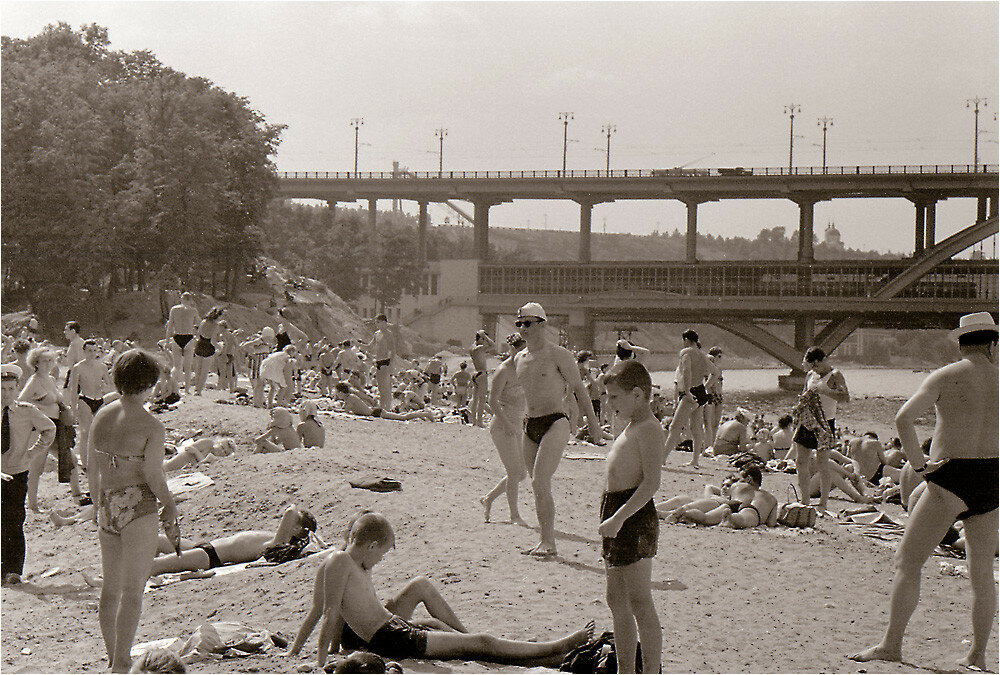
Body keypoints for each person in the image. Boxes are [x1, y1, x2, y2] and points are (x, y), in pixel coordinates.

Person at [851, 312, 998, 671]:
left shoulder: (946, 375)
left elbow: (903, 418)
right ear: (992, 344)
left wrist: (919, 466)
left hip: (951, 475)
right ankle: (977, 655)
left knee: (909, 561)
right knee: (981, 570)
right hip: (992, 476)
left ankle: (891, 645)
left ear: (961, 344)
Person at [287, 511, 595, 670]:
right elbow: (327, 613)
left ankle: (553, 660)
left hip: (393, 629)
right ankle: (556, 646)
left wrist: (293, 650)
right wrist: (320, 662)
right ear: (371, 545)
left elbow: (316, 611)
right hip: (391, 638)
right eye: (382, 553)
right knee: (480, 643)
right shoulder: (341, 562)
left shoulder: (349, 564)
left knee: (470, 644)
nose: (380, 559)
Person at [88, 348, 180, 673]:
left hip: (107, 501)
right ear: (150, 383)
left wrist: (97, 504)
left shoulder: (102, 415)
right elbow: (153, 475)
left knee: (110, 588)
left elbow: (91, 467)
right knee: (132, 591)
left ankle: (113, 656)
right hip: (137, 503)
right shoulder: (151, 425)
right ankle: (121, 663)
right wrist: (169, 503)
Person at [513, 302, 603, 557]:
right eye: (519, 324)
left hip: (555, 421)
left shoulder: (558, 354)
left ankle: (549, 543)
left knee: (540, 480)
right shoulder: (519, 358)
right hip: (529, 424)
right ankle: (545, 541)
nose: (522, 328)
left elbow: (580, 389)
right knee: (537, 486)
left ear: (542, 324)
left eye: (528, 323)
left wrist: (594, 426)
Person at [598, 360, 663, 674]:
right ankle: (625, 669)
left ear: (637, 395)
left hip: (633, 516)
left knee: (639, 600)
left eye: (614, 397)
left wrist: (619, 518)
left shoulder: (648, 428)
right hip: (616, 510)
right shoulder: (630, 425)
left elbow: (651, 483)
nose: (609, 403)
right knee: (616, 599)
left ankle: (650, 670)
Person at [1, 364, 57, 586]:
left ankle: (13, 570)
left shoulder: (26, 411)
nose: (6, 393)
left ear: (17, 389)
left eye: (10, 388)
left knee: (14, 519)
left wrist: (32, 454)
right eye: (2, 388)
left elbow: (49, 429)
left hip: (17, 472)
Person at [150, 504, 318, 575]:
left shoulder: (279, 543)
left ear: (296, 528)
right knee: (154, 540)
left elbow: (291, 511)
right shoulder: (277, 538)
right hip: (203, 547)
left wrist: (306, 530)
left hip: (210, 556)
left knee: (155, 565)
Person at [791, 346, 850, 516]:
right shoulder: (810, 375)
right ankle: (805, 500)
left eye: (816, 366)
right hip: (808, 420)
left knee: (822, 464)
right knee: (800, 461)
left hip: (825, 422)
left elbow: (845, 398)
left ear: (821, 361)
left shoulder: (835, 375)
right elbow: (804, 393)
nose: (815, 369)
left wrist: (825, 390)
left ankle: (823, 502)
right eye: (813, 367)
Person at [19, 347, 80, 510]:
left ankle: (77, 495)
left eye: (50, 360)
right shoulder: (34, 381)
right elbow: (20, 402)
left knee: (71, 459)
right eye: (44, 361)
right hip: (40, 429)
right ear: (36, 363)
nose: (48, 363)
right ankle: (32, 505)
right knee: (36, 468)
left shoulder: (51, 379)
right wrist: (36, 409)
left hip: (56, 427)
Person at [481, 334, 527, 525]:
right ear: (512, 348)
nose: (524, 353)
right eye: (521, 349)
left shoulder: (524, 369)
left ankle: (488, 498)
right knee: (514, 472)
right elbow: (492, 401)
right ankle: (514, 515)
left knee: (521, 474)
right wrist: (507, 424)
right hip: (502, 425)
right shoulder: (504, 370)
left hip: (517, 424)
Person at [663, 330, 714, 468]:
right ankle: (695, 460)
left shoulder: (686, 352)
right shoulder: (703, 355)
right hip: (700, 392)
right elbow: (715, 373)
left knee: (675, 426)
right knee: (696, 428)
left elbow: (686, 371)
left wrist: (686, 391)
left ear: (686, 339)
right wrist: (704, 387)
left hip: (690, 393)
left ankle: (662, 458)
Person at [68, 339, 113, 475]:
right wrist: (73, 408)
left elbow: (109, 385)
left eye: (94, 351)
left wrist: (105, 387)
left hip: (99, 399)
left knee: (101, 430)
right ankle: (85, 463)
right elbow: (73, 389)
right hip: (85, 399)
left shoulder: (102, 367)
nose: (92, 353)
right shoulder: (78, 367)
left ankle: (102, 460)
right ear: (84, 351)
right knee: (85, 432)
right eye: (89, 351)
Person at [333, 382, 437, 422]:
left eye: (337, 393)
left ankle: (425, 414)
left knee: (403, 418)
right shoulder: (348, 398)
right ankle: (423, 413)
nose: (337, 395)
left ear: (341, 392)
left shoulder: (351, 398)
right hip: (375, 411)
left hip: (376, 412)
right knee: (402, 416)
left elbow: (345, 411)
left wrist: (333, 409)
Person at [165, 292, 200, 393]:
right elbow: (200, 324)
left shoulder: (174, 309)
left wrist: (167, 341)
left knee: (177, 366)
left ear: (181, 299)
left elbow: (170, 326)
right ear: (190, 300)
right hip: (188, 337)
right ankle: (187, 390)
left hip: (177, 337)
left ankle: (174, 389)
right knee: (187, 367)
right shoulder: (193, 310)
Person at [363, 314, 396, 412]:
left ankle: (387, 408)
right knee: (380, 387)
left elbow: (392, 350)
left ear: (384, 322)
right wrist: (358, 344)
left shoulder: (389, 334)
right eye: (376, 322)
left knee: (386, 387)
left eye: (378, 322)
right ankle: (382, 408)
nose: (377, 324)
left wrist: (390, 364)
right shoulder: (377, 334)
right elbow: (370, 347)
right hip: (378, 361)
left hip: (385, 361)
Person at [191, 307, 223, 395]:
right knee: (204, 371)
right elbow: (213, 341)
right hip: (208, 347)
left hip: (200, 345)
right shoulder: (215, 325)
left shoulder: (203, 322)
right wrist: (220, 348)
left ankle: (196, 388)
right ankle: (199, 390)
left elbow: (198, 335)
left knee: (198, 370)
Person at [469, 330, 494, 427]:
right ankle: (479, 422)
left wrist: (480, 335)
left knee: (475, 399)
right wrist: (485, 336)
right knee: (482, 399)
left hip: (475, 373)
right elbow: (493, 345)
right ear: (481, 339)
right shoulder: (479, 348)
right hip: (482, 374)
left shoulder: (472, 348)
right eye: (483, 339)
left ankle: (473, 421)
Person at [702, 346, 724, 444]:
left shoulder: (719, 369)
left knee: (716, 422)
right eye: (719, 356)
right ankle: (708, 443)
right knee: (709, 422)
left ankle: (713, 443)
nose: (720, 359)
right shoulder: (707, 369)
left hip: (718, 396)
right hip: (710, 395)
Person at [215, 320, 239, 394]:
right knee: (230, 374)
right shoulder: (231, 335)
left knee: (222, 373)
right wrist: (234, 354)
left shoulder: (222, 335)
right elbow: (236, 345)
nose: (218, 328)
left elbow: (225, 344)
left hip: (224, 354)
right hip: (230, 354)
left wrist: (223, 354)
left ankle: (221, 389)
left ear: (223, 327)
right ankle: (231, 389)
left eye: (219, 327)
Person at [62, 321, 86, 387]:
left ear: (73, 331)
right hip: (73, 373)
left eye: (66, 330)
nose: (64, 332)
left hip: (76, 375)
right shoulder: (74, 343)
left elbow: (80, 360)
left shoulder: (77, 343)